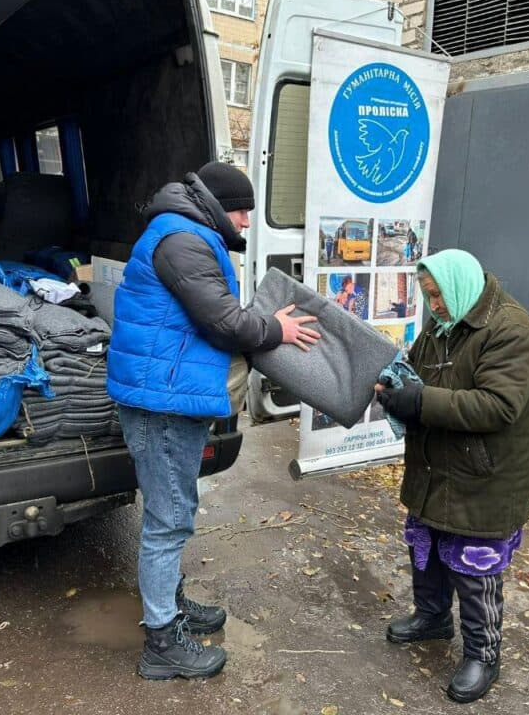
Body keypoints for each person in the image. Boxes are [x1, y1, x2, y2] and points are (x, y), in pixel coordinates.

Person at [108, 161, 320, 681]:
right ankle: (161, 643)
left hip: (168, 393)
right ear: (221, 206)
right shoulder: (183, 240)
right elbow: (223, 321)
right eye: (244, 211)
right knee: (167, 517)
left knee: (175, 507)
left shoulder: (185, 233)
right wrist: (276, 329)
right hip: (163, 402)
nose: (248, 222)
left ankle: (170, 605)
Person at [375, 249, 529, 704]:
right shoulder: (443, 325)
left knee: (475, 569)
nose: (433, 305)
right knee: (426, 551)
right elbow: (418, 375)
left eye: (438, 295)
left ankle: (482, 653)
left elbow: (498, 406)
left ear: (459, 286)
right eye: (427, 296)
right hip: (437, 467)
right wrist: (396, 386)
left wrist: (420, 402)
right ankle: (432, 618)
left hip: (484, 475)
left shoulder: (512, 330)